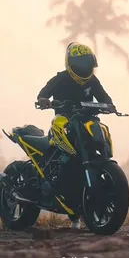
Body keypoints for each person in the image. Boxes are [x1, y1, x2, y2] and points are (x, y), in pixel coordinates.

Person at [37, 42, 115, 229]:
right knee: (60, 150)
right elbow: (43, 93)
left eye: (86, 63)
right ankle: (51, 176)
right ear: (70, 64)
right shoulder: (61, 78)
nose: (83, 67)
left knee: (99, 136)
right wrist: (44, 100)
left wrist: (110, 106)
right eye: (79, 63)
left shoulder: (92, 81)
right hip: (64, 122)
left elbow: (105, 98)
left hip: (86, 122)